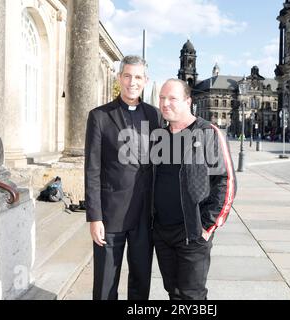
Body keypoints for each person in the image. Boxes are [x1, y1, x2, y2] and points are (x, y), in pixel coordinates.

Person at [85, 55, 162, 300]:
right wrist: (94, 216)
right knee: (106, 282)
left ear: (145, 81)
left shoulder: (155, 116)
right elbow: (92, 170)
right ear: (120, 78)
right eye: (127, 75)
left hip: (144, 215)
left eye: (138, 77)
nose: (132, 82)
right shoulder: (99, 116)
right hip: (110, 215)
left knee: (141, 280)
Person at [152, 79, 237, 300]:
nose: (165, 103)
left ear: (188, 101)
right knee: (173, 292)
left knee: (192, 296)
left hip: (192, 232)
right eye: (162, 98)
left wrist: (207, 226)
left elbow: (225, 182)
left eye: (172, 98)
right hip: (162, 232)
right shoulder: (159, 136)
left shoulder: (208, 132)